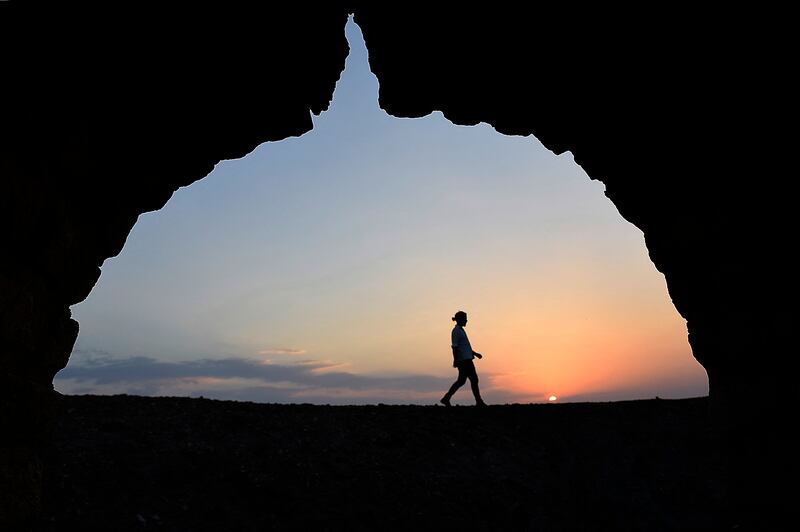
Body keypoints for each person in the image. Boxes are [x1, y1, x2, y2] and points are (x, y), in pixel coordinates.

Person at [440, 311, 487, 407]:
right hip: (464, 361)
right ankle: (479, 401)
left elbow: (465, 347)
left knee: (462, 381)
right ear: (460, 319)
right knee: (473, 380)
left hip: (467, 359)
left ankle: (446, 398)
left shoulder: (461, 330)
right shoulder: (456, 331)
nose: (466, 320)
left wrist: (475, 354)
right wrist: (455, 360)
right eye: (465, 319)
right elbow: (454, 347)